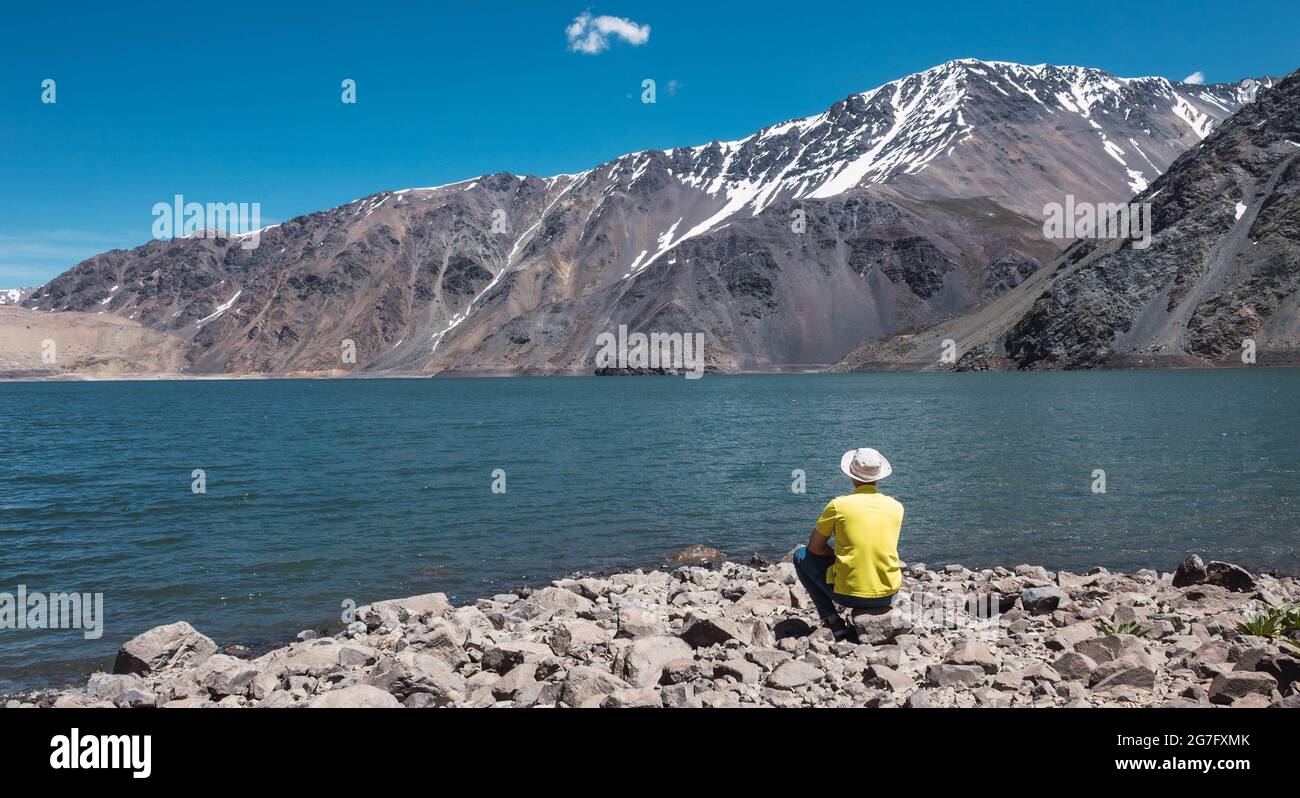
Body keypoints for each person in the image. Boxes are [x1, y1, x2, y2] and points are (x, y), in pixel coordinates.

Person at [793, 447, 904, 642]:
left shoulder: (838, 505)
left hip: (849, 595)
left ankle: (833, 621)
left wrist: (838, 556)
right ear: (878, 476)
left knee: (800, 555)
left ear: (852, 475)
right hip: (888, 593)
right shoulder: (896, 507)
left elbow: (814, 548)